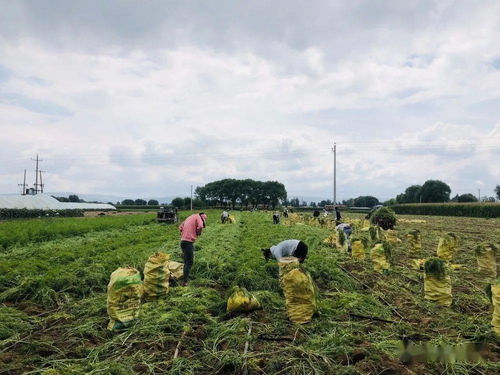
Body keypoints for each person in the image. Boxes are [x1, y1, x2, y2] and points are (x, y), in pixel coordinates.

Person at [179, 212, 207, 286]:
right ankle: (185, 282)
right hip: (188, 242)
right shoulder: (198, 217)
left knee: (186, 261)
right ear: (202, 217)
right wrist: (198, 232)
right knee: (189, 262)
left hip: (183, 242)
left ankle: (185, 277)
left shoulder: (189, 217)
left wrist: (184, 234)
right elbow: (200, 226)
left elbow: (180, 227)